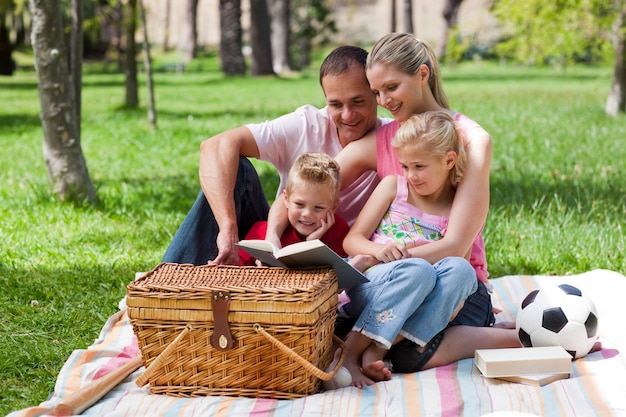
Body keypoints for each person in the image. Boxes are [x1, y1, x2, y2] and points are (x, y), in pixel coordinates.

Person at [334, 33, 522, 372]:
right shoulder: (385, 139)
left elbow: (457, 245)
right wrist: (280, 227)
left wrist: (398, 264)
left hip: (453, 287)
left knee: (408, 351)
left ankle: (497, 336)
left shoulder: (472, 140)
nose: (383, 101)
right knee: (404, 345)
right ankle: (479, 338)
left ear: (422, 75)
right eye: (376, 92)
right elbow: (317, 182)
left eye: (391, 87)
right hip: (389, 281)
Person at [161, 45, 386, 266]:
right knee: (236, 168)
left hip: (338, 247)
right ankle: (163, 284)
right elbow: (216, 146)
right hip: (281, 237)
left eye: (358, 102)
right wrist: (228, 227)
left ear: (376, 94)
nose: (347, 115)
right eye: (335, 104)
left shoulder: (394, 139)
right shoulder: (306, 124)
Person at [339, 111, 481, 387]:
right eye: (405, 166)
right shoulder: (394, 187)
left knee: (462, 271)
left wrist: (455, 296)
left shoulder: (456, 206)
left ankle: (378, 348)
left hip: (419, 292)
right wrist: (378, 252)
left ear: (449, 160)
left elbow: (458, 262)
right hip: (375, 282)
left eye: (419, 166)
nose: (410, 175)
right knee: (417, 269)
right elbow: (351, 241)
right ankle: (348, 353)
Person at [239, 152, 350, 265]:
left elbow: (337, 275)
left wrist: (311, 245)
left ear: (334, 207)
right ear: (286, 199)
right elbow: (237, 272)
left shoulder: (338, 232)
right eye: (299, 204)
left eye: (318, 207)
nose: (307, 214)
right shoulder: (260, 233)